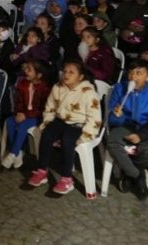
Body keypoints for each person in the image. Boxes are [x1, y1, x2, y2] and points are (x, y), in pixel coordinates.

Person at [28, 60, 101, 195]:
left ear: (80, 77)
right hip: (61, 121)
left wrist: (85, 136)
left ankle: (67, 179)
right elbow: (50, 108)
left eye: (71, 72)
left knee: (68, 141)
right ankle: (42, 171)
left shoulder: (88, 92)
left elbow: (94, 118)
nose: (66, 75)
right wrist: (47, 123)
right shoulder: (57, 87)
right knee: (46, 135)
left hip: (79, 124)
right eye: (65, 71)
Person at [106, 59, 148, 201]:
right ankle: (137, 175)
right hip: (126, 125)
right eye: (131, 72)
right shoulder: (119, 89)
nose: (133, 76)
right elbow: (111, 120)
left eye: (138, 73)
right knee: (112, 143)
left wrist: (141, 135)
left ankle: (127, 172)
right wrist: (118, 116)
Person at [1, 60, 50, 169]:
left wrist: (26, 115)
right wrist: (19, 112)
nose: (26, 71)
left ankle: (12, 154)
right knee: (10, 121)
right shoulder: (22, 83)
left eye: (29, 70)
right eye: (26, 69)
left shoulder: (45, 88)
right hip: (23, 113)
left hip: (36, 116)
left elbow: (43, 108)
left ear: (39, 75)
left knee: (23, 125)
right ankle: (18, 153)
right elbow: (18, 101)